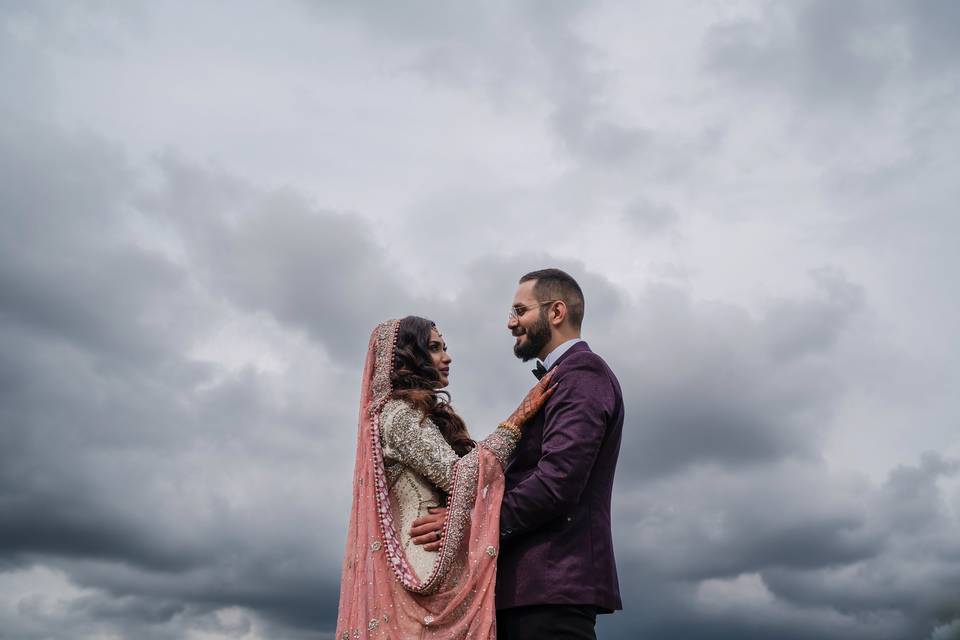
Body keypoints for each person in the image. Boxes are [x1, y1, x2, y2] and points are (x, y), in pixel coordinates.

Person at [335, 316, 555, 640]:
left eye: (445, 348)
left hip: (439, 557)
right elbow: (460, 478)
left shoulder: (413, 414)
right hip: (423, 573)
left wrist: (458, 519)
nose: (447, 357)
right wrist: (517, 421)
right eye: (435, 349)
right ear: (410, 357)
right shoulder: (397, 415)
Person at [496, 268, 624, 639]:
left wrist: (471, 525)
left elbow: (557, 482)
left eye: (520, 311)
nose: (511, 322)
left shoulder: (583, 372)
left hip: (551, 587)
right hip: (534, 592)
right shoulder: (565, 376)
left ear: (555, 312)